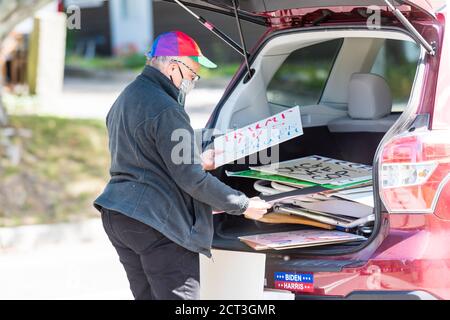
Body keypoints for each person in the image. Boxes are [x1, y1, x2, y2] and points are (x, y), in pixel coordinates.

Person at [94, 31, 272, 300]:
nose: (193, 82)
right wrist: (244, 205)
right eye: (192, 75)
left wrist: (195, 158)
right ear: (172, 65)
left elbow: (143, 156)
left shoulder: (126, 98)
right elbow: (193, 180)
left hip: (119, 216)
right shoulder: (168, 109)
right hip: (157, 222)